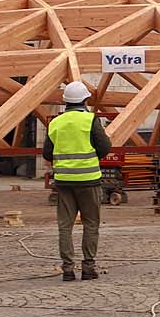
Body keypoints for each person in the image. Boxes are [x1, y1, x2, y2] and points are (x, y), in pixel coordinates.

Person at [43, 80, 111, 281]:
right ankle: (89, 267)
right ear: (85, 100)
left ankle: (67, 269)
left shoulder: (56, 122)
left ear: (66, 102)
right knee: (91, 224)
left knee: (65, 226)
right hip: (89, 180)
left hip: (64, 182)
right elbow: (105, 147)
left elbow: (47, 152)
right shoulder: (90, 120)